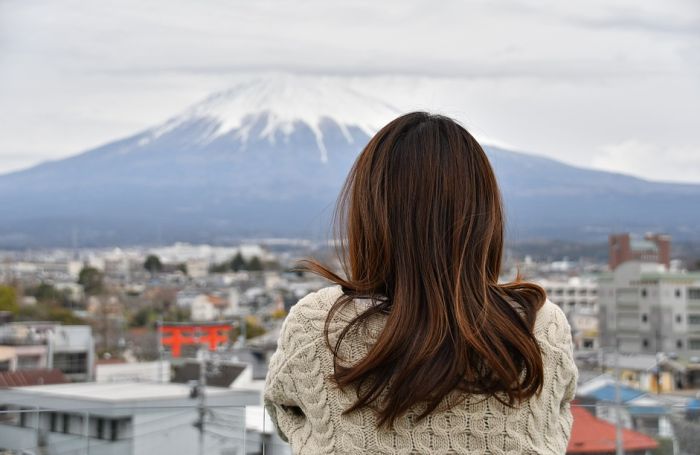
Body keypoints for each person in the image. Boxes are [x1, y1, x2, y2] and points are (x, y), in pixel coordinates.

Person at [264, 112, 578, 454]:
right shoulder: (538, 326)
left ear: (369, 212)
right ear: (485, 215)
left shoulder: (318, 323)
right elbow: (555, 420)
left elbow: (284, 413)